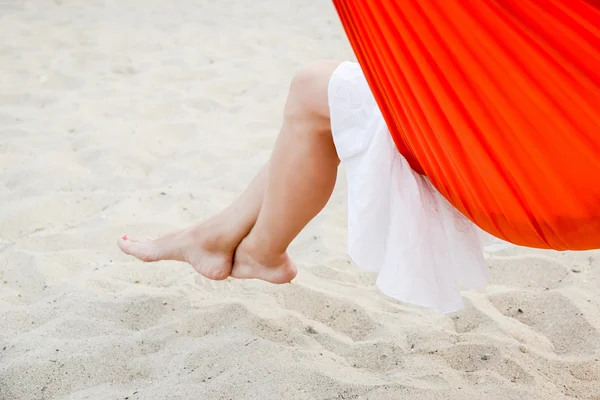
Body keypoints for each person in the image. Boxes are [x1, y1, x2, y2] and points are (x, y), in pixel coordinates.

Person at [118, 60, 490, 313]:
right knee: (329, 103)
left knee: (315, 91)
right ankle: (218, 237)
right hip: (521, 136)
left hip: (502, 141)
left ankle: (259, 251)